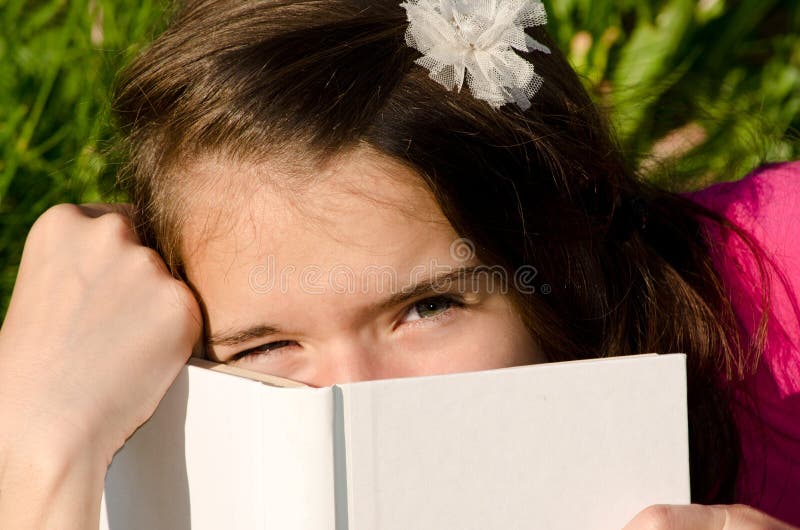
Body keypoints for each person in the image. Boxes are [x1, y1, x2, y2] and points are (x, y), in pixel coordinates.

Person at [0, 0, 797, 528]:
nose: (357, 395)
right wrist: (43, 449)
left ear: (554, 255)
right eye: (264, 346)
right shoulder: (131, 448)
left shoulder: (780, 283)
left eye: (429, 306)